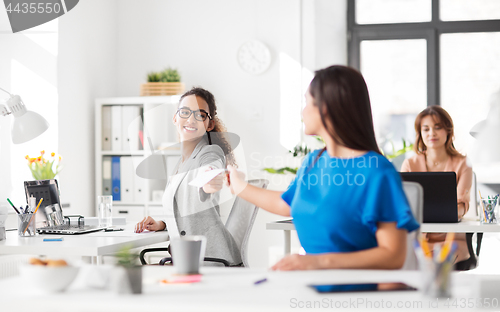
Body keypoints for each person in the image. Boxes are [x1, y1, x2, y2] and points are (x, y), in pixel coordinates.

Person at [227, 65, 420, 271]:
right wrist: (238, 186)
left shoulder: (377, 172)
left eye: (306, 102)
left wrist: (319, 262)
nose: (302, 111)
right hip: (314, 288)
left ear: (325, 107)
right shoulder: (314, 161)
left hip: (357, 295)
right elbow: (288, 204)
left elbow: (393, 255)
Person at [135, 87, 242, 266]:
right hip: (189, 258)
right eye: (185, 112)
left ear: (210, 124)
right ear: (175, 118)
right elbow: (184, 213)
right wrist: (162, 223)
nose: (191, 119)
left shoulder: (210, 152)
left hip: (213, 260)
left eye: (200, 114)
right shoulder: (180, 163)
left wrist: (210, 179)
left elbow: (210, 169)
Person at [401, 105, 473, 265]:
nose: (431, 133)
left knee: (434, 265)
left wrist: (452, 214)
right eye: (425, 129)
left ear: (448, 131)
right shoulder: (410, 164)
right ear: (420, 133)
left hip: (451, 239)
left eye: (437, 127)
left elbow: (461, 205)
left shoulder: (463, 164)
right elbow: (404, 204)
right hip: (418, 239)